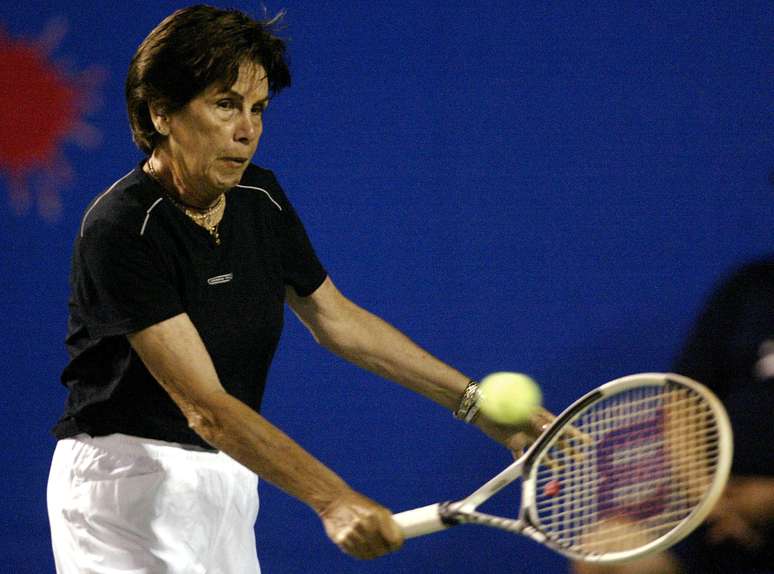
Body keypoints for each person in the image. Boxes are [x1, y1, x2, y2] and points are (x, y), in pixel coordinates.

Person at [46, 6, 535, 572]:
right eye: (225, 104)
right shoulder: (122, 228)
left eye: (258, 109)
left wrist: (475, 405)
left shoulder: (260, 197)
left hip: (228, 477)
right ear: (161, 112)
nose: (247, 129)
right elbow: (206, 407)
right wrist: (331, 498)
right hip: (124, 489)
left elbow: (336, 319)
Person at [572, 259, 774, 574]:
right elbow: (684, 399)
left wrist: (768, 500)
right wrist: (710, 497)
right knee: (606, 552)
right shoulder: (753, 285)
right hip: (719, 518)